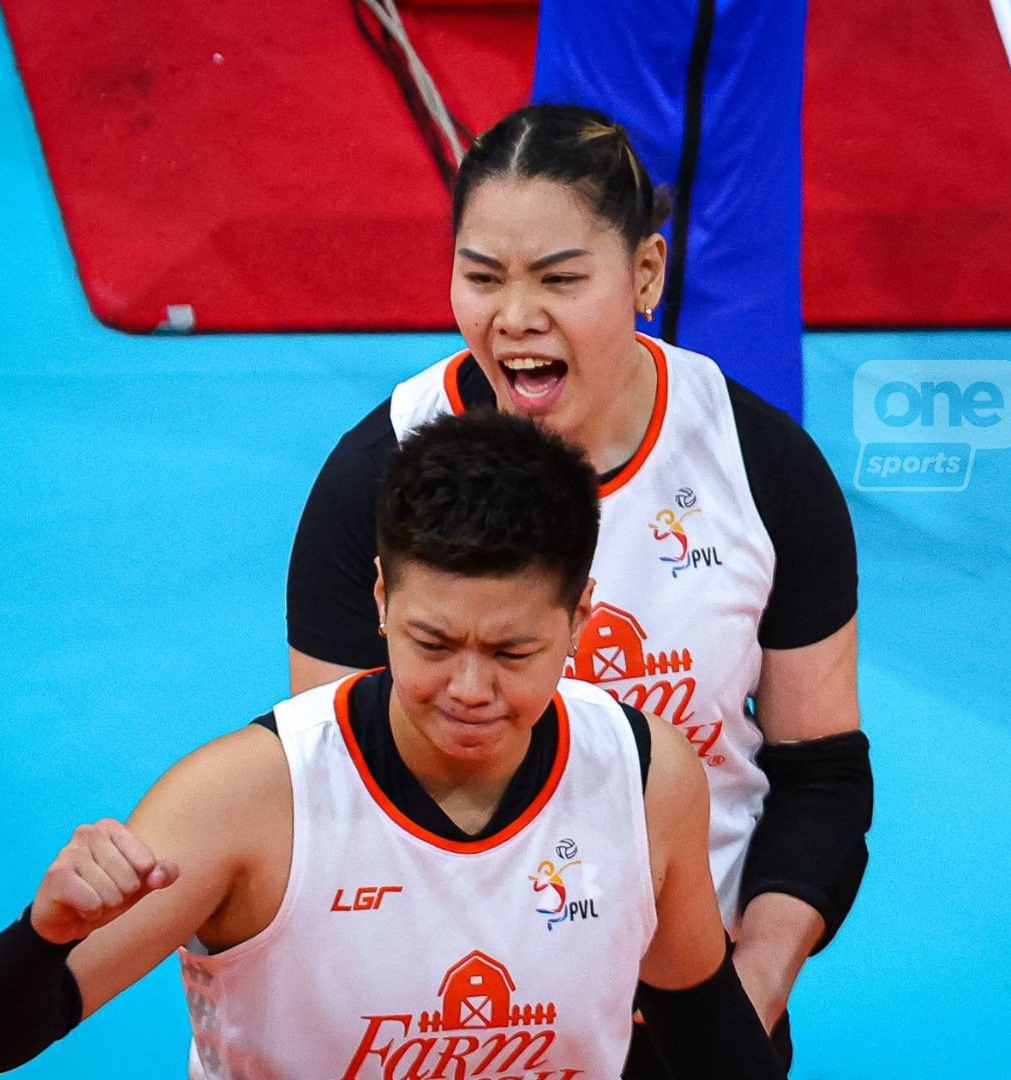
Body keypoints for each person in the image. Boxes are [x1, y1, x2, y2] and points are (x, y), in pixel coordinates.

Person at [286, 104, 872, 1074]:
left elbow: (822, 773)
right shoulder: (375, 480)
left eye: (559, 279)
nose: (515, 316)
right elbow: (334, 791)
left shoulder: (761, 468)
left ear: (646, 273)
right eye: (482, 277)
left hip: (697, 1008)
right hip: (456, 1026)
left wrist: (745, 991)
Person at [0, 413, 785, 1080]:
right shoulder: (248, 801)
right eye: (433, 642)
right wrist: (44, 934)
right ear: (381, 600)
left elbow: (705, 1036)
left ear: (580, 621)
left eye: (512, 652)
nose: (469, 688)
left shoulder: (644, 777)